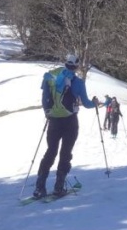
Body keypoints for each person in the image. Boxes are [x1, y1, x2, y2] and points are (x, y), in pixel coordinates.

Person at [36, 53, 98, 198]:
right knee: (65, 153)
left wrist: (49, 112)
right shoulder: (78, 82)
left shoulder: (50, 77)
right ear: (76, 66)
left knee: (50, 152)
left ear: (65, 64)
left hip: (53, 120)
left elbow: (44, 97)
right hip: (70, 121)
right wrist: (95, 103)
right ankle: (58, 187)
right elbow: (87, 103)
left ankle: (40, 187)